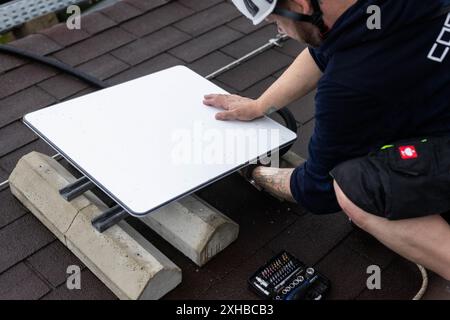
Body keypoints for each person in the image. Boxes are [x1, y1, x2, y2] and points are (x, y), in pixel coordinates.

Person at [203, 0, 450, 281]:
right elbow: (324, 50)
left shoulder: (349, 85)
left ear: (300, 5)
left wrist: (252, 170)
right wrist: (260, 105)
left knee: (353, 189)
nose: (281, 31)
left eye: (275, 22)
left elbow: (317, 188)